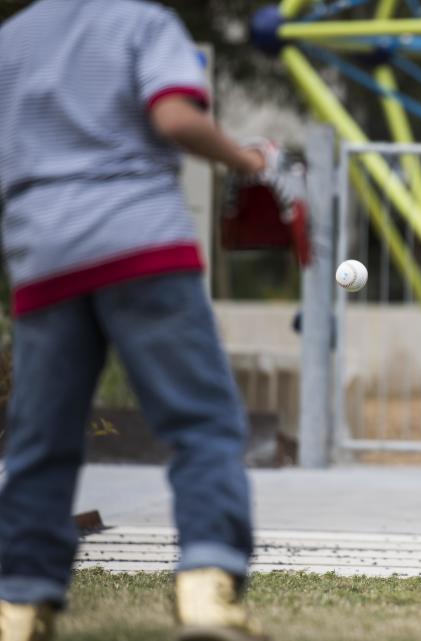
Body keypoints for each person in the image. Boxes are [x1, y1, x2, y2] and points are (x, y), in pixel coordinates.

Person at [0, 1, 280, 639]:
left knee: (42, 441)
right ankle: (208, 591)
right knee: (202, 422)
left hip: (44, 254)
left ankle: (20, 606)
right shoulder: (142, 23)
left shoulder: (11, 39)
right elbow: (175, 115)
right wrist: (245, 161)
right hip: (141, 244)